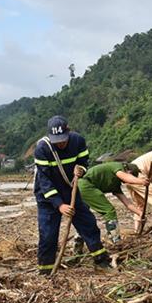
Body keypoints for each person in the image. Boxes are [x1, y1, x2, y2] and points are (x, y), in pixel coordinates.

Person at [33, 116, 110, 274]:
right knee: (48, 234)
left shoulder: (78, 141)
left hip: (70, 190)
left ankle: (101, 260)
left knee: (88, 223)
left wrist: (81, 169)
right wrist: (59, 204)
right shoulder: (42, 149)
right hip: (47, 196)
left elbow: (84, 161)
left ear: (69, 132)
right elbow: (44, 181)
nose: (61, 143)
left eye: (63, 139)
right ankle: (46, 270)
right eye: (57, 141)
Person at [77, 161, 146, 243]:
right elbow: (125, 177)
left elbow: (127, 203)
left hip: (83, 187)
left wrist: (140, 213)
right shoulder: (117, 167)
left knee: (85, 217)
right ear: (129, 172)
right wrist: (141, 181)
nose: (125, 183)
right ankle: (115, 240)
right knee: (109, 211)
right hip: (85, 185)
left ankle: (78, 241)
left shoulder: (116, 183)